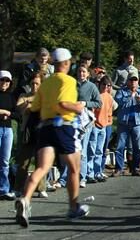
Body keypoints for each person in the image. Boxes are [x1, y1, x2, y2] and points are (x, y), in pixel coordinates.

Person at [16, 48, 89, 228]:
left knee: (42, 167)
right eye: (70, 61)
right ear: (65, 63)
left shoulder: (46, 83)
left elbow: (34, 108)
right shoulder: (69, 81)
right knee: (74, 168)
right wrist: (78, 107)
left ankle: (25, 199)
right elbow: (63, 103)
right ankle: (73, 208)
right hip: (63, 126)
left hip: (45, 127)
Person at [14, 74, 48, 198]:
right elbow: (18, 110)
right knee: (24, 161)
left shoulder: (44, 97)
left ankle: (41, 188)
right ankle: (18, 188)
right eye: (33, 83)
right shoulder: (24, 96)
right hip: (27, 132)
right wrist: (29, 102)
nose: (34, 86)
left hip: (41, 131)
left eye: (37, 84)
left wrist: (32, 103)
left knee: (41, 162)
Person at [114, 71, 140, 176]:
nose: (133, 82)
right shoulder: (121, 91)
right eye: (131, 80)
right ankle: (119, 168)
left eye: (135, 80)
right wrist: (131, 95)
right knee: (120, 146)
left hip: (137, 123)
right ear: (128, 81)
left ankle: (136, 168)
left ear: (138, 82)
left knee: (137, 147)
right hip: (123, 123)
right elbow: (119, 102)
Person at [88, 76, 113, 183]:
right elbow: (92, 111)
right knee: (91, 151)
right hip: (94, 126)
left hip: (103, 127)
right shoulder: (96, 95)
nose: (105, 87)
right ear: (99, 84)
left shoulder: (109, 97)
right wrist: (94, 123)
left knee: (99, 151)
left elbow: (109, 113)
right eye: (103, 84)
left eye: (108, 85)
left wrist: (107, 122)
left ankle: (98, 172)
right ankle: (90, 173)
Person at [0, 70, 18, 200]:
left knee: (5, 161)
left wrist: (8, 113)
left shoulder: (11, 97)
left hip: (8, 130)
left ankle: (4, 189)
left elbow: (18, 114)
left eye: (7, 81)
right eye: (2, 80)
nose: (4, 83)